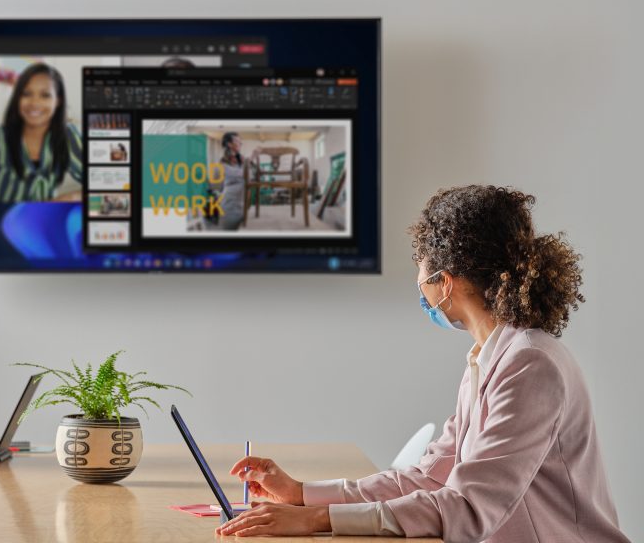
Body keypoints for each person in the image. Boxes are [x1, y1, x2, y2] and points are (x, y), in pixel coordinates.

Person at [217, 185, 629, 542]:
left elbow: (467, 508)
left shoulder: (530, 366)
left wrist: (314, 520)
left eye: (421, 268)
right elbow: (429, 477)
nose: (419, 283)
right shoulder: (487, 362)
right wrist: (301, 493)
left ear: (446, 281)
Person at [0, 63, 83, 203]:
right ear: (17, 98)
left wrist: (71, 197)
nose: (34, 103)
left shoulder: (67, 135)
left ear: (58, 101)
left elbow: (106, 184)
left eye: (45, 95)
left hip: (43, 222)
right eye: (26, 94)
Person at [210, 132, 247, 230]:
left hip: (240, 205)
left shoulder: (241, 160)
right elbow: (241, 174)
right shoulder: (223, 164)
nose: (240, 143)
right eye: (237, 141)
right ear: (229, 144)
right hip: (230, 205)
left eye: (240, 141)